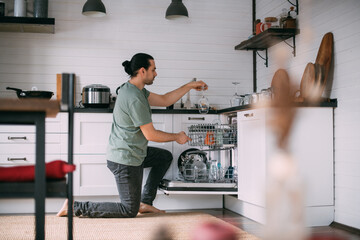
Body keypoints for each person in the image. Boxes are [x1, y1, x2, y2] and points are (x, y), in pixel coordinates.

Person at [57, 53, 208, 218]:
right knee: (128, 210)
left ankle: (146, 202)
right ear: (142, 71)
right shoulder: (134, 97)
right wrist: (177, 137)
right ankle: (75, 207)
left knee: (164, 157)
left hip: (134, 151)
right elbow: (151, 134)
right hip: (125, 160)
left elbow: (165, 100)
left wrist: (189, 86)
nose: (156, 73)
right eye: (153, 69)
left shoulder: (135, 89)